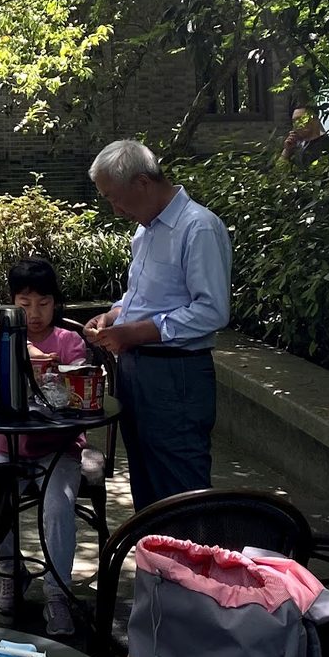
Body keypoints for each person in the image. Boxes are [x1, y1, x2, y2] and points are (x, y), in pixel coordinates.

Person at [82, 139, 232, 510]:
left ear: (143, 183)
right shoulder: (145, 230)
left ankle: (190, 566)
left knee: (181, 489)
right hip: (137, 370)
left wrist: (141, 331)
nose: (115, 209)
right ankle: (155, 566)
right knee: (147, 485)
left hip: (175, 375)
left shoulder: (198, 227)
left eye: (115, 197)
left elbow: (213, 311)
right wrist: (113, 316)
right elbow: (142, 296)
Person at [0, 257, 89, 637]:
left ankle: (58, 593)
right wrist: (14, 342)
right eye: (25, 305)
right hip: (8, 447)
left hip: (58, 448)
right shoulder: (3, 336)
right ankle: (10, 572)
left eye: (44, 303)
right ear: (12, 305)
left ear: (56, 303)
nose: (36, 313)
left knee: (58, 506)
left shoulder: (69, 343)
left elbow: (81, 401)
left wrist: (53, 373)